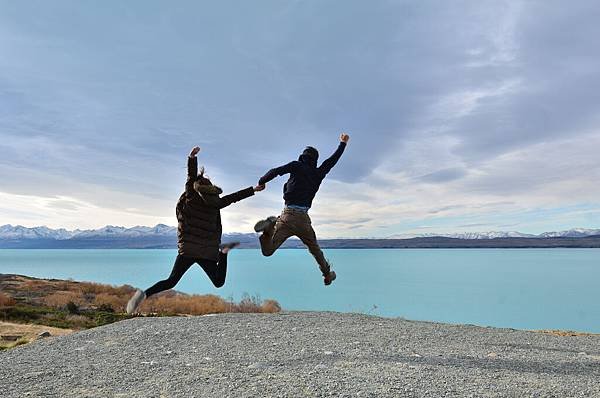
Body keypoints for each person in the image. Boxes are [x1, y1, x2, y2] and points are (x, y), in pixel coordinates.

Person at [127, 146, 264, 314]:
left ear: (196, 186)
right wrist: (253, 190)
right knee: (219, 281)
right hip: (206, 250)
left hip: (189, 250)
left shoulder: (191, 195)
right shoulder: (216, 202)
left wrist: (192, 158)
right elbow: (233, 198)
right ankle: (224, 252)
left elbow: (191, 176)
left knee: (171, 281)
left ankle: (143, 295)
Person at [254, 133, 349, 286]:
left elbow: (275, 171)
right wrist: (342, 143)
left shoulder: (296, 166)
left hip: (285, 217)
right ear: (315, 160)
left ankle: (268, 229)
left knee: (268, 251)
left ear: (302, 156)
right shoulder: (318, 173)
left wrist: (262, 181)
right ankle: (327, 275)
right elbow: (332, 161)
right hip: (303, 219)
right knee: (315, 250)